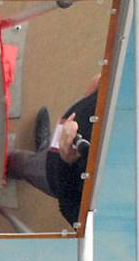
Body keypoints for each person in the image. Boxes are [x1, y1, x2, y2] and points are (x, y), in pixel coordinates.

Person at [7, 84, 97, 227]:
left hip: (59, 170)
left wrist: (65, 160)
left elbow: (71, 210)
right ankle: (45, 147)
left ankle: (6, 166)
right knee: (52, 145)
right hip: (74, 124)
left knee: (18, 163)